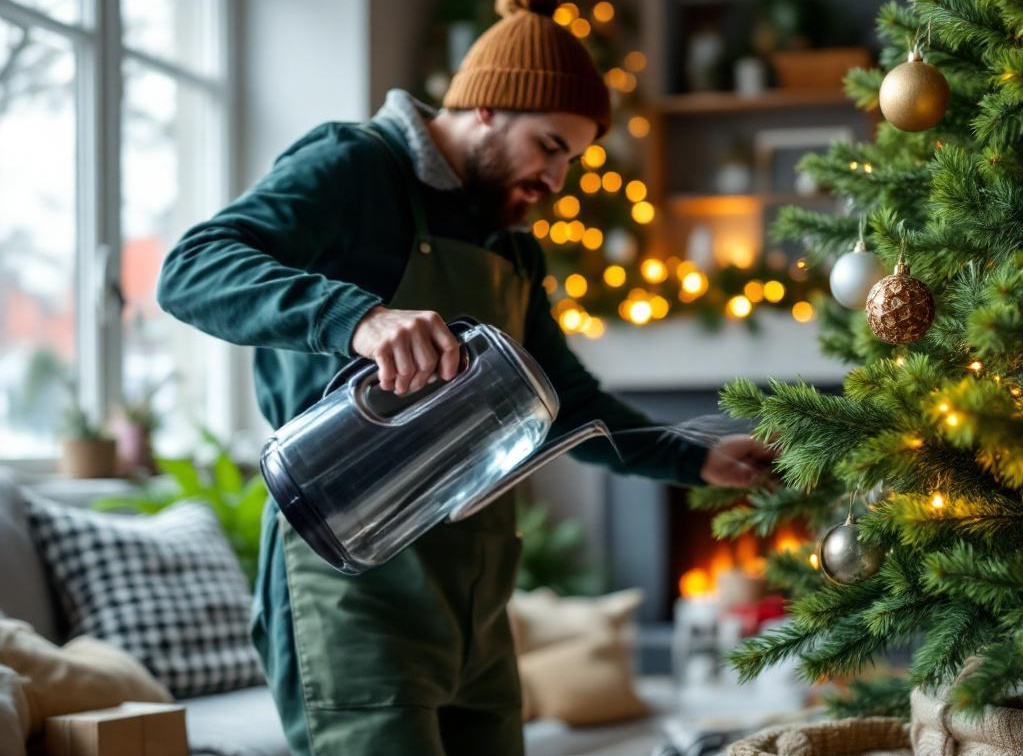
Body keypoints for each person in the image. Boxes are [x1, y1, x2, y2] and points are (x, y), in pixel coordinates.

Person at [156, 0, 775, 753]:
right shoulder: (355, 167)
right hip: (354, 583)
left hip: (475, 600)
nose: (556, 178)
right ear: (485, 108)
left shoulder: (512, 248)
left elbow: (565, 403)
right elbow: (191, 269)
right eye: (549, 146)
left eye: (571, 160)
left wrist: (696, 458)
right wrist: (359, 319)